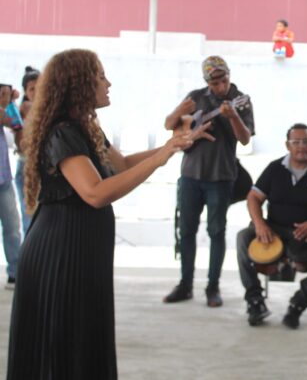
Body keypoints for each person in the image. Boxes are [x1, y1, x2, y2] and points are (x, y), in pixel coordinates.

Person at [6, 48, 193, 379]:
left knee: (81, 338)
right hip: (61, 251)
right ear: (79, 83)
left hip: (79, 248)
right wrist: (162, 156)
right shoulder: (63, 131)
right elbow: (94, 193)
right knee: (64, 345)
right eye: (100, 76)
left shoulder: (83, 127)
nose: (108, 83)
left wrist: (173, 144)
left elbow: (121, 166)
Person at [163, 55, 254, 307]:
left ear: (229, 76)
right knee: (187, 231)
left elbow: (245, 139)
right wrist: (179, 112)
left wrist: (233, 116)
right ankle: (185, 284)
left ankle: (212, 287)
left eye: (223, 80)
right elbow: (169, 124)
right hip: (190, 175)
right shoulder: (196, 97)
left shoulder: (241, 100)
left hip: (220, 176)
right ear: (206, 81)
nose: (219, 87)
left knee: (216, 232)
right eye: (214, 83)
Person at [237, 124, 307, 328]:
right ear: (287, 145)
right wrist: (259, 224)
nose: (301, 147)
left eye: (306, 141)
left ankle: (299, 303)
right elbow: (253, 197)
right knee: (243, 236)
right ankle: (255, 301)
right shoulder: (274, 168)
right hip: (275, 227)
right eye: (296, 142)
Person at [0, 84, 21, 290]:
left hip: (4, 181)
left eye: (7, 94)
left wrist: (13, 102)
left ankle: (15, 273)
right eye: (2, 95)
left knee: (12, 228)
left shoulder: (6, 111)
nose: (5, 98)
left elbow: (16, 124)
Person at [15, 66, 39, 236]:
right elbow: (21, 143)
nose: (36, 92)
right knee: (29, 219)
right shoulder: (23, 109)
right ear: (25, 91)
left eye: (40, 87)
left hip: (41, 167)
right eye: (32, 89)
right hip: (26, 166)